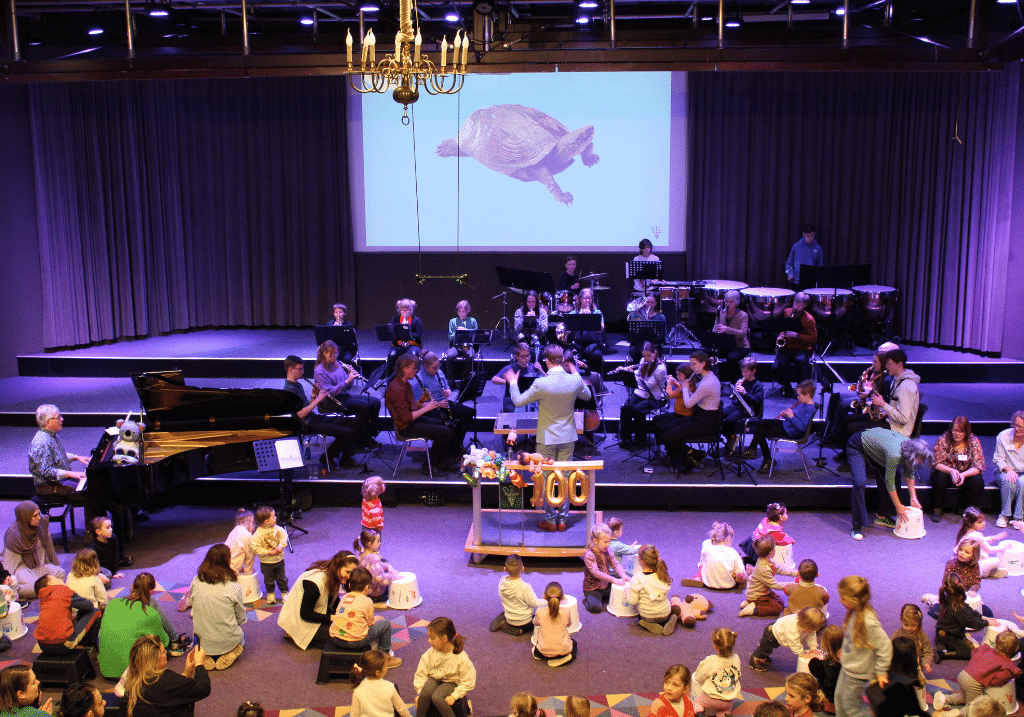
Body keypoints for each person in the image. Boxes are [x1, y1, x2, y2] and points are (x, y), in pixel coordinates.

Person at [508, 344, 593, 531]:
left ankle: (550, 520)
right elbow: (587, 396)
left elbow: (517, 401)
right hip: (568, 435)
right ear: (562, 361)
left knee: (546, 478)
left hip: (546, 438)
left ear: (546, 361)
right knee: (565, 477)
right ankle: (562, 520)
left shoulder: (541, 383)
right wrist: (576, 371)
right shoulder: (574, 380)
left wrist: (513, 382)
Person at [846, 427, 933, 541]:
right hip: (856, 445)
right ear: (913, 454)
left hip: (876, 450)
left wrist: (913, 497)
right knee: (860, 482)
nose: (921, 462)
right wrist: (898, 506)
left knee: (896, 475)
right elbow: (889, 481)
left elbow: (909, 472)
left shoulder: (908, 450)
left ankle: (882, 516)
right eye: (920, 459)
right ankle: (856, 525)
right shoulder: (895, 453)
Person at [97, 572, 183, 679]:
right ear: (152, 591)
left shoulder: (112, 604)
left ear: (132, 587)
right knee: (160, 645)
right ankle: (177, 639)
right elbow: (163, 642)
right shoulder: (150, 612)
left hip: (106, 671)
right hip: (134, 674)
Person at [282, 354, 359, 471]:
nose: (302, 372)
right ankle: (327, 457)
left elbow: (307, 406)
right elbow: (300, 414)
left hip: (313, 418)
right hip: (306, 424)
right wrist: (318, 399)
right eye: (300, 369)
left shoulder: (298, 385)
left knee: (353, 421)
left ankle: (346, 459)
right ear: (290, 369)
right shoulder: (289, 390)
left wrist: (314, 394)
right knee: (347, 432)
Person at [386, 353, 454, 475]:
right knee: (446, 432)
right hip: (406, 428)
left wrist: (422, 400)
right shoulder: (397, 389)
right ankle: (428, 466)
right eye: (414, 368)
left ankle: (442, 462)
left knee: (448, 425)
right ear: (405, 369)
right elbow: (406, 418)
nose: (417, 370)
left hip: (412, 422)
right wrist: (428, 407)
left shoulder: (405, 384)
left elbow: (411, 407)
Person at [277, 550, 360, 650]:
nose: (349, 577)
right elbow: (305, 614)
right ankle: (292, 633)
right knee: (343, 637)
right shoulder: (315, 582)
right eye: (347, 572)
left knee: (347, 625)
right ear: (337, 566)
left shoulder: (332, 575)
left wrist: (345, 611)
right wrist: (334, 617)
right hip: (302, 619)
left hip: (319, 610)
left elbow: (332, 601)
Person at [833, 576, 891, 717]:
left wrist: (881, 671)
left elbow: (885, 645)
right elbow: (851, 637)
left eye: (843, 598)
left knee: (850, 707)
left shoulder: (868, 621)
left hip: (858, 671)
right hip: (849, 665)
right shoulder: (855, 612)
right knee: (838, 698)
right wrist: (845, 649)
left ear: (854, 601)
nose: (841, 600)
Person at [660, 351, 722, 473]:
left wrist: (685, 388)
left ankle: (693, 456)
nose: (691, 367)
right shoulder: (707, 377)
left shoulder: (708, 382)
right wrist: (685, 388)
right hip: (700, 417)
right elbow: (697, 398)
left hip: (706, 423)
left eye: (694, 364)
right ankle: (690, 456)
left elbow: (688, 404)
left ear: (703, 363)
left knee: (667, 437)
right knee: (664, 428)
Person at [121, 634, 210, 717]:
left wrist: (187, 673)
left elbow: (173, 690)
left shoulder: (133, 683)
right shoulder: (165, 679)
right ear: (155, 659)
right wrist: (199, 662)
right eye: (163, 652)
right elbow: (203, 688)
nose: (166, 654)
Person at [188, 543, 246, 671]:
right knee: (241, 636)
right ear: (227, 561)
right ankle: (229, 652)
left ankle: (206, 656)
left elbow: (194, 603)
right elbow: (241, 618)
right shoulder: (233, 587)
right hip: (226, 640)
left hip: (202, 642)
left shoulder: (196, 581)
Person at [932, 630, 1021, 713]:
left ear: (996, 643)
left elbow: (974, 653)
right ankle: (958, 714)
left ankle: (945, 698)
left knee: (965, 696)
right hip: (973, 683)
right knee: (974, 706)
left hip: (963, 674)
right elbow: (1001, 678)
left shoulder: (986, 649)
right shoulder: (1007, 664)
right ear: (1014, 650)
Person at [314, 340, 381, 446]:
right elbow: (330, 392)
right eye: (333, 354)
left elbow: (348, 386)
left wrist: (350, 375)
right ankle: (360, 441)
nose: (335, 356)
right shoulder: (319, 371)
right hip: (330, 401)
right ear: (324, 353)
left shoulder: (336, 364)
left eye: (336, 353)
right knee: (365, 406)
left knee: (375, 402)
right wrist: (346, 381)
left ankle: (369, 436)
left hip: (342, 396)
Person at [330, 567, 401, 666]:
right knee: (385, 624)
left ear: (350, 585)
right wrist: (376, 619)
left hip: (336, 638)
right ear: (367, 587)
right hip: (355, 641)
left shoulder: (344, 597)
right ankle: (384, 657)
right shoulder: (367, 601)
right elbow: (370, 624)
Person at [742, 380, 817, 474]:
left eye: (799, 395)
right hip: (787, 426)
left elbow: (802, 428)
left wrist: (791, 416)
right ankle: (757, 452)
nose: (797, 397)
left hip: (792, 432)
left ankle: (763, 456)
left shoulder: (810, 408)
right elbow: (795, 419)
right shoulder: (803, 404)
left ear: (808, 395)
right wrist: (787, 416)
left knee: (760, 432)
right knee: (760, 423)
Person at [413, 617, 476, 717]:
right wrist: (420, 695)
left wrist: (454, 696)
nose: (429, 641)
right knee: (425, 693)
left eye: (432, 638)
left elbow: (468, 681)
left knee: (437, 697)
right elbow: (421, 674)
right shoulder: (429, 654)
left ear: (444, 639)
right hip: (435, 678)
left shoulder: (461, 658)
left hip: (452, 682)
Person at [2, 500, 65, 599]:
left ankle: (46, 590)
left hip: (39, 565)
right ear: (25, 517)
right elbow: (9, 567)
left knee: (60, 574)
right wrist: (7, 585)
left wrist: (55, 565)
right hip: (22, 569)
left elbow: (50, 550)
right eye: (35, 516)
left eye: (39, 514)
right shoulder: (14, 536)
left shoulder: (42, 524)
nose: (39, 518)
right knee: (35, 587)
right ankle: (18, 591)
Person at [416, 351, 471, 458]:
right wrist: (438, 404)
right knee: (447, 421)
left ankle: (455, 445)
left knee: (468, 412)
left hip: (443, 402)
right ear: (426, 367)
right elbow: (417, 405)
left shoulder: (439, 372)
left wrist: (448, 392)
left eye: (438, 365)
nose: (437, 369)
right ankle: (456, 449)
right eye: (434, 367)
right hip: (430, 408)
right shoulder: (419, 379)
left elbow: (447, 388)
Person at [930, 417, 986, 523]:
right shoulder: (943, 439)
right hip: (947, 472)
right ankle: (937, 508)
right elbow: (936, 463)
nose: (957, 434)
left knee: (978, 481)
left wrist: (964, 474)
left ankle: (968, 510)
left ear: (966, 431)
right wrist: (951, 471)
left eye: (960, 431)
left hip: (966, 473)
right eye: (954, 430)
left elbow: (979, 466)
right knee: (938, 477)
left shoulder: (974, 441)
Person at [28, 404, 88, 499]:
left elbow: (56, 456)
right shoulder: (42, 442)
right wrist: (70, 473)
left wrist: (75, 457)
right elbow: (45, 471)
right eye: (58, 417)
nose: (62, 419)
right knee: (88, 492)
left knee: (91, 484)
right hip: (49, 486)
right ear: (48, 422)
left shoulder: (51, 435)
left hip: (58, 481)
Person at [934, 574, 997, 663]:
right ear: (960, 586)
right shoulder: (958, 607)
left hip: (941, 631)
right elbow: (972, 622)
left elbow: (969, 611)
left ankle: (940, 643)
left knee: (949, 639)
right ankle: (943, 653)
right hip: (951, 636)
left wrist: (983, 617)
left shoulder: (948, 598)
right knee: (968, 653)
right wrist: (986, 623)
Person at [33, 574, 101, 654]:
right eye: (56, 578)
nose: (60, 579)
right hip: (63, 646)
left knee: (80, 612)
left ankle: (81, 643)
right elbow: (89, 606)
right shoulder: (62, 591)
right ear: (50, 583)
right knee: (95, 611)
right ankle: (89, 648)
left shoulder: (44, 598)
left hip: (43, 646)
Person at [619, 342, 667, 449]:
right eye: (644, 356)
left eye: (649, 355)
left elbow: (648, 385)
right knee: (625, 407)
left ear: (655, 353)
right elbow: (639, 374)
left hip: (655, 397)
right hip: (641, 393)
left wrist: (633, 375)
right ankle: (625, 438)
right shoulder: (643, 361)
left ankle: (640, 440)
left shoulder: (661, 369)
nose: (646, 358)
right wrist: (627, 371)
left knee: (638, 409)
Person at [626, 545, 682, 636]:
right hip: (665, 614)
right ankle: (670, 620)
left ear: (642, 562)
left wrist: (628, 590)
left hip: (647, 616)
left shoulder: (637, 578)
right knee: (669, 609)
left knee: (639, 618)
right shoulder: (662, 574)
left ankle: (647, 624)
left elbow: (632, 601)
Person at [748, 606, 826, 672]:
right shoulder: (792, 627)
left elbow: (812, 635)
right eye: (808, 629)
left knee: (768, 648)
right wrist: (801, 653)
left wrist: (813, 648)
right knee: (764, 648)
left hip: (779, 634)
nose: (809, 632)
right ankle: (755, 659)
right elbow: (794, 641)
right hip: (772, 634)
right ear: (803, 623)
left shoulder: (806, 625)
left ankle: (763, 656)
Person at [770, 292, 817, 397]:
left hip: (802, 349)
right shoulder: (787, 312)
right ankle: (787, 387)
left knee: (799, 361)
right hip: (786, 348)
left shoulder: (809, 319)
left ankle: (801, 390)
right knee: (774, 369)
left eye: (799, 305)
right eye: (795, 303)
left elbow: (813, 339)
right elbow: (782, 328)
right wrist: (780, 335)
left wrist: (797, 335)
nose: (796, 306)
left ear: (805, 305)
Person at [692, 628, 742, 717]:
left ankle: (700, 713)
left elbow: (699, 677)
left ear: (715, 646)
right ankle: (725, 714)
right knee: (724, 711)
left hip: (710, 698)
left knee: (695, 704)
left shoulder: (711, 660)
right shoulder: (736, 658)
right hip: (728, 701)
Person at [871, 349, 920, 437]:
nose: (886, 367)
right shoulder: (896, 380)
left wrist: (883, 404)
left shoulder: (906, 386)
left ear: (899, 364)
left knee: (855, 429)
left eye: (889, 364)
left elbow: (903, 418)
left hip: (897, 432)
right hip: (891, 424)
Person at [489, 553, 542, 636]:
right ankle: (516, 630)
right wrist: (548, 600)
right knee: (540, 619)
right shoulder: (525, 587)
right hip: (525, 621)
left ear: (505, 569)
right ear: (523, 569)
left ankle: (506, 619)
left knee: (510, 611)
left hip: (510, 618)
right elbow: (535, 603)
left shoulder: (502, 582)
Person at [892, 604, 933, 709]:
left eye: (913, 625)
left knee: (917, 689)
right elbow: (891, 650)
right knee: (900, 689)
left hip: (916, 669)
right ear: (901, 620)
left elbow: (927, 652)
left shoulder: (923, 636)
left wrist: (926, 663)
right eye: (906, 625)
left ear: (919, 623)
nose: (909, 628)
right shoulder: (897, 634)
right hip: (900, 668)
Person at [686, 521, 749, 590]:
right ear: (728, 539)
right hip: (729, 585)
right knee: (739, 567)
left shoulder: (707, 548)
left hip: (708, 583)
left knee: (702, 565)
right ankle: (741, 579)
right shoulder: (733, 552)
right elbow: (740, 570)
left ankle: (698, 577)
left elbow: (702, 562)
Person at [350, 650, 412, 717]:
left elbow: (354, 713)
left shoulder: (358, 689)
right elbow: (402, 709)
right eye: (385, 666)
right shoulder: (389, 687)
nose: (387, 669)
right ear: (378, 673)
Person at [739, 535, 789, 618]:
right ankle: (754, 608)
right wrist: (790, 585)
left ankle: (749, 602)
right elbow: (775, 585)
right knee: (777, 609)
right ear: (771, 552)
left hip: (763, 591)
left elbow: (780, 569)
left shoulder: (767, 560)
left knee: (781, 602)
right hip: (756, 595)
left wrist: (796, 573)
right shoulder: (763, 568)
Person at [723, 357, 764, 455]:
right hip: (736, 405)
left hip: (748, 408)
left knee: (729, 420)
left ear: (753, 371)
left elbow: (757, 401)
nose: (743, 374)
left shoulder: (758, 385)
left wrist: (745, 393)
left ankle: (733, 437)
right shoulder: (741, 381)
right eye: (742, 371)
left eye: (746, 371)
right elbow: (733, 399)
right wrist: (735, 392)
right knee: (719, 414)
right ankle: (730, 437)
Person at [582, 523, 626, 614]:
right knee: (596, 608)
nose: (608, 544)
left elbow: (615, 564)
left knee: (624, 593)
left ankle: (603, 597)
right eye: (605, 542)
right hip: (593, 588)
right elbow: (596, 573)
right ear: (595, 541)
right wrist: (614, 579)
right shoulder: (589, 555)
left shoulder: (608, 551)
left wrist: (623, 575)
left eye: (609, 541)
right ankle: (588, 597)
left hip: (605, 586)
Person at [955, 508, 1010, 578]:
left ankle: (983, 570)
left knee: (982, 552)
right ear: (970, 524)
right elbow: (990, 550)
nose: (983, 524)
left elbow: (980, 541)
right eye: (980, 522)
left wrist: (993, 538)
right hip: (964, 567)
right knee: (996, 560)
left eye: (983, 521)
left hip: (959, 563)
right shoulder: (976, 535)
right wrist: (1003, 547)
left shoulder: (966, 531)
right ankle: (983, 572)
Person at [532, 582, 577, 667]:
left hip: (544, 651)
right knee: (574, 643)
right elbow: (569, 624)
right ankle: (566, 658)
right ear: (563, 598)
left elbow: (535, 623)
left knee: (539, 639)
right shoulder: (566, 612)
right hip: (563, 650)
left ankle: (538, 655)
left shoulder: (539, 612)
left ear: (544, 596)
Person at [491, 342, 543, 414]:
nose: (526, 358)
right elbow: (494, 379)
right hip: (512, 398)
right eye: (523, 357)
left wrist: (541, 370)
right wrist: (510, 382)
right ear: (516, 356)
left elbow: (548, 381)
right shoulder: (511, 368)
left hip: (530, 398)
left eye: (528, 356)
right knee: (509, 408)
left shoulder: (533, 367)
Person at [251, 506, 288, 604]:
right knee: (269, 580)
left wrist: (281, 545)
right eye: (274, 516)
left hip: (279, 560)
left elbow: (284, 536)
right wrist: (267, 552)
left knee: (282, 579)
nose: (276, 517)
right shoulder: (258, 534)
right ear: (266, 521)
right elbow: (255, 547)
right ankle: (271, 594)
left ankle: (284, 593)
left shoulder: (278, 529)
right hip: (266, 562)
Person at [994, 411, 1024, 530]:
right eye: (1015, 425)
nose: (1016, 429)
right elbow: (998, 459)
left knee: (1022, 482)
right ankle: (1005, 514)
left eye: (1021, 427)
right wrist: (1009, 469)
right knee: (1009, 480)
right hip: (1005, 471)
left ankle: (1019, 516)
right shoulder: (1003, 436)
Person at [712, 289, 750, 382]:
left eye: (731, 302)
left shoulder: (743, 315)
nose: (728, 304)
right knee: (707, 354)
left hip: (740, 345)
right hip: (725, 344)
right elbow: (714, 329)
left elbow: (743, 333)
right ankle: (714, 383)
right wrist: (715, 336)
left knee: (732, 358)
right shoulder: (721, 313)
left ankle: (736, 383)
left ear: (737, 303)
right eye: (726, 301)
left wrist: (727, 329)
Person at [354, 528, 400, 600]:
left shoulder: (361, 553)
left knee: (386, 567)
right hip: (374, 593)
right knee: (393, 583)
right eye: (378, 541)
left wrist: (386, 566)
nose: (380, 543)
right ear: (370, 544)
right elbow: (379, 579)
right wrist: (394, 576)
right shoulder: (374, 558)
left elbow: (372, 568)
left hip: (364, 589)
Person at [808, 626, 843, 713]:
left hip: (831, 699)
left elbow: (828, 684)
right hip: (845, 694)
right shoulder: (845, 657)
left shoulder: (829, 664)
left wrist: (814, 661)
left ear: (825, 643)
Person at [386, 298, 423, 378]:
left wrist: (408, 331)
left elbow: (418, 335)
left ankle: (415, 381)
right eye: (402, 310)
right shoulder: (395, 319)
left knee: (414, 354)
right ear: (399, 310)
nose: (404, 312)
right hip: (398, 345)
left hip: (412, 345)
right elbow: (391, 333)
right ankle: (391, 381)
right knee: (392, 355)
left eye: (407, 310)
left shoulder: (416, 320)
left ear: (411, 309)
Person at [571, 288, 605, 373]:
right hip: (577, 343)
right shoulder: (573, 313)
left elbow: (601, 329)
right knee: (568, 355)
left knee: (596, 356)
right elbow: (568, 330)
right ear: (580, 299)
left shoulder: (597, 312)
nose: (587, 300)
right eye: (585, 298)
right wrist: (580, 317)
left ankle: (596, 381)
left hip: (593, 343)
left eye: (589, 298)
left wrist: (591, 318)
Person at [87, 515, 129, 580]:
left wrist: (113, 572)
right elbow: (92, 565)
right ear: (98, 531)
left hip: (107, 568)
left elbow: (115, 557)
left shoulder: (113, 538)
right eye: (107, 528)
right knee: (106, 575)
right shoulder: (92, 547)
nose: (111, 529)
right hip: (98, 568)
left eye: (111, 527)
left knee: (108, 574)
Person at [445, 300, 479, 380]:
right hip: (456, 346)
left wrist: (466, 331)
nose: (461, 314)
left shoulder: (473, 321)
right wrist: (458, 332)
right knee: (449, 356)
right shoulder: (453, 321)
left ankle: (465, 377)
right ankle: (451, 379)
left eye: (463, 312)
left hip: (468, 346)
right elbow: (450, 337)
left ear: (468, 311)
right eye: (459, 312)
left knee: (470, 356)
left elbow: (476, 336)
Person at [785, 224, 824, 291]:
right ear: (803, 234)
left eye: (812, 235)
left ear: (814, 234)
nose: (810, 238)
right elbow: (789, 263)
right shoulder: (796, 246)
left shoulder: (817, 248)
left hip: (811, 282)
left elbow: (820, 266)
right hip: (796, 282)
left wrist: (818, 279)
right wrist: (790, 274)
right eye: (807, 235)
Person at [225, 509, 256, 577]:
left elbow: (236, 550)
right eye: (253, 523)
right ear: (251, 520)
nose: (254, 526)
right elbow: (250, 556)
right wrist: (248, 571)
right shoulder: (248, 536)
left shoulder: (235, 529)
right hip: (232, 570)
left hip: (224, 564)